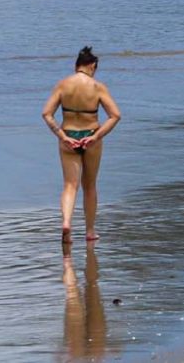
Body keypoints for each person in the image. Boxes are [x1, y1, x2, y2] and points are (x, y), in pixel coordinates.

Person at [42, 46, 120, 244]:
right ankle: (90, 231)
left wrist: (62, 136)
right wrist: (96, 136)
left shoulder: (62, 84)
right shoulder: (97, 87)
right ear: (92, 66)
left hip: (68, 135)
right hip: (91, 136)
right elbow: (115, 116)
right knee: (90, 185)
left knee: (70, 185)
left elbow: (47, 114)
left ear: (76, 65)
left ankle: (67, 222)